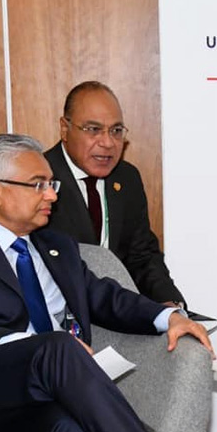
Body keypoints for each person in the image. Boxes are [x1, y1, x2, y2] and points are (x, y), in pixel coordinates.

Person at [0, 134, 214, 432]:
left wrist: (168, 317)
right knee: (58, 346)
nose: (51, 195)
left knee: (71, 431)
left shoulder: (57, 246)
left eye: (51, 184)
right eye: (38, 184)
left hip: (41, 400)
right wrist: (28, 344)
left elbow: (106, 296)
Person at [45, 81, 185, 307]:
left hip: (122, 311)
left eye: (116, 131)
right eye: (93, 130)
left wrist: (169, 304)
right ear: (64, 129)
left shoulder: (127, 178)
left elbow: (142, 257)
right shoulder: (39, 180)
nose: (108, 142)